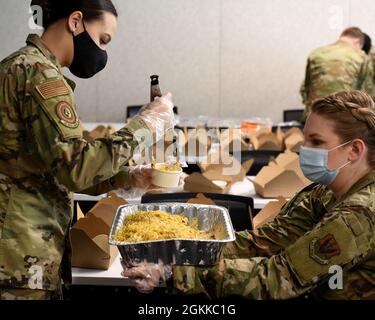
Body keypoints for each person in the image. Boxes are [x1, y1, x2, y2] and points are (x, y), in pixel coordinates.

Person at [124, 90, 375, 300]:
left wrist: (173, 272)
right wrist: (179, 250)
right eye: (305, 139)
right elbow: (265, 242)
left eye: (316, 142)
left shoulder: (359, 215)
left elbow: (280, 277)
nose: (303, 149)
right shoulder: (325, 192)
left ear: (353, 150)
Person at [0, 0, 176, 300]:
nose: (102, 52)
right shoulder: (39, 74)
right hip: (19, 255)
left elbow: (58, 169)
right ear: (76, 21)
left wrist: (129, 177)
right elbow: (77, 167)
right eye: (102, 39)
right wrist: (147, 124)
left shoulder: (22, 67)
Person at [300, 27, 374, 120]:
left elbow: (305, 88)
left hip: (314, 116)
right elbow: (367, 93)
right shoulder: (361, 56)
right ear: (358, 41)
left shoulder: (316, 53)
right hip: (343, 119)